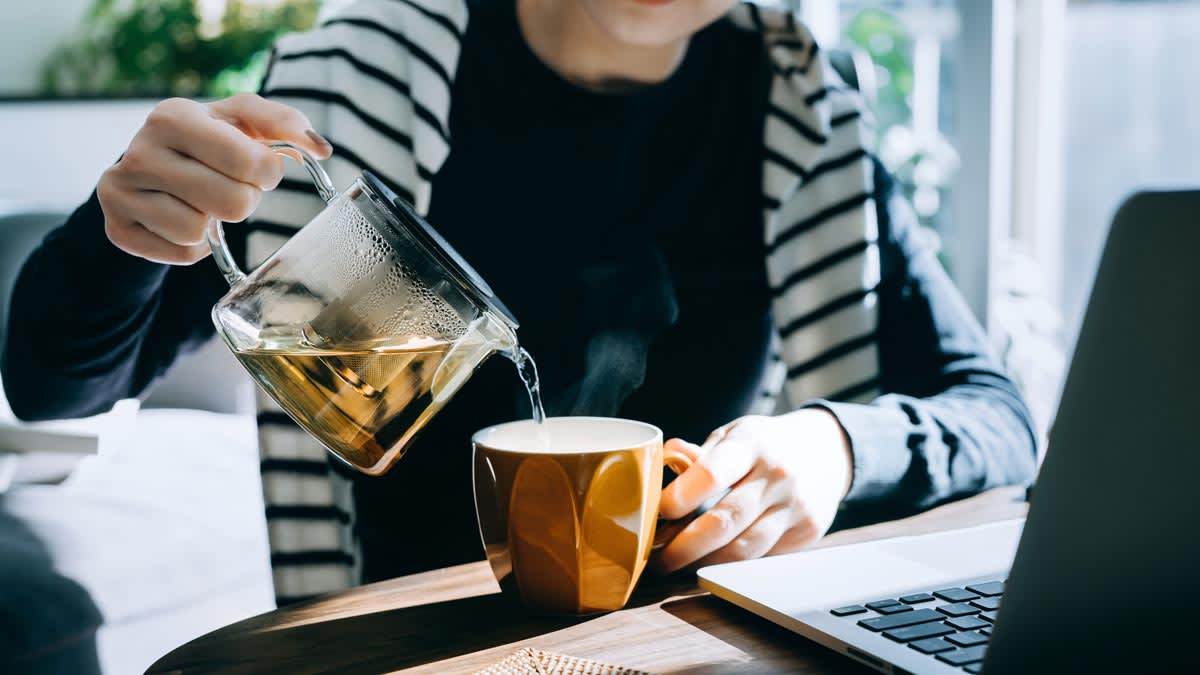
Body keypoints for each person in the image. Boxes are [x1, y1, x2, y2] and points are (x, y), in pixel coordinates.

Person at [2, 0, 1036, 602]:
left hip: (695, 646)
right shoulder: (357, 89)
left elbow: (995, 415)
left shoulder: (805, 107)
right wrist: (127, 233)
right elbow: (53, 386)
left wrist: (835, 448)